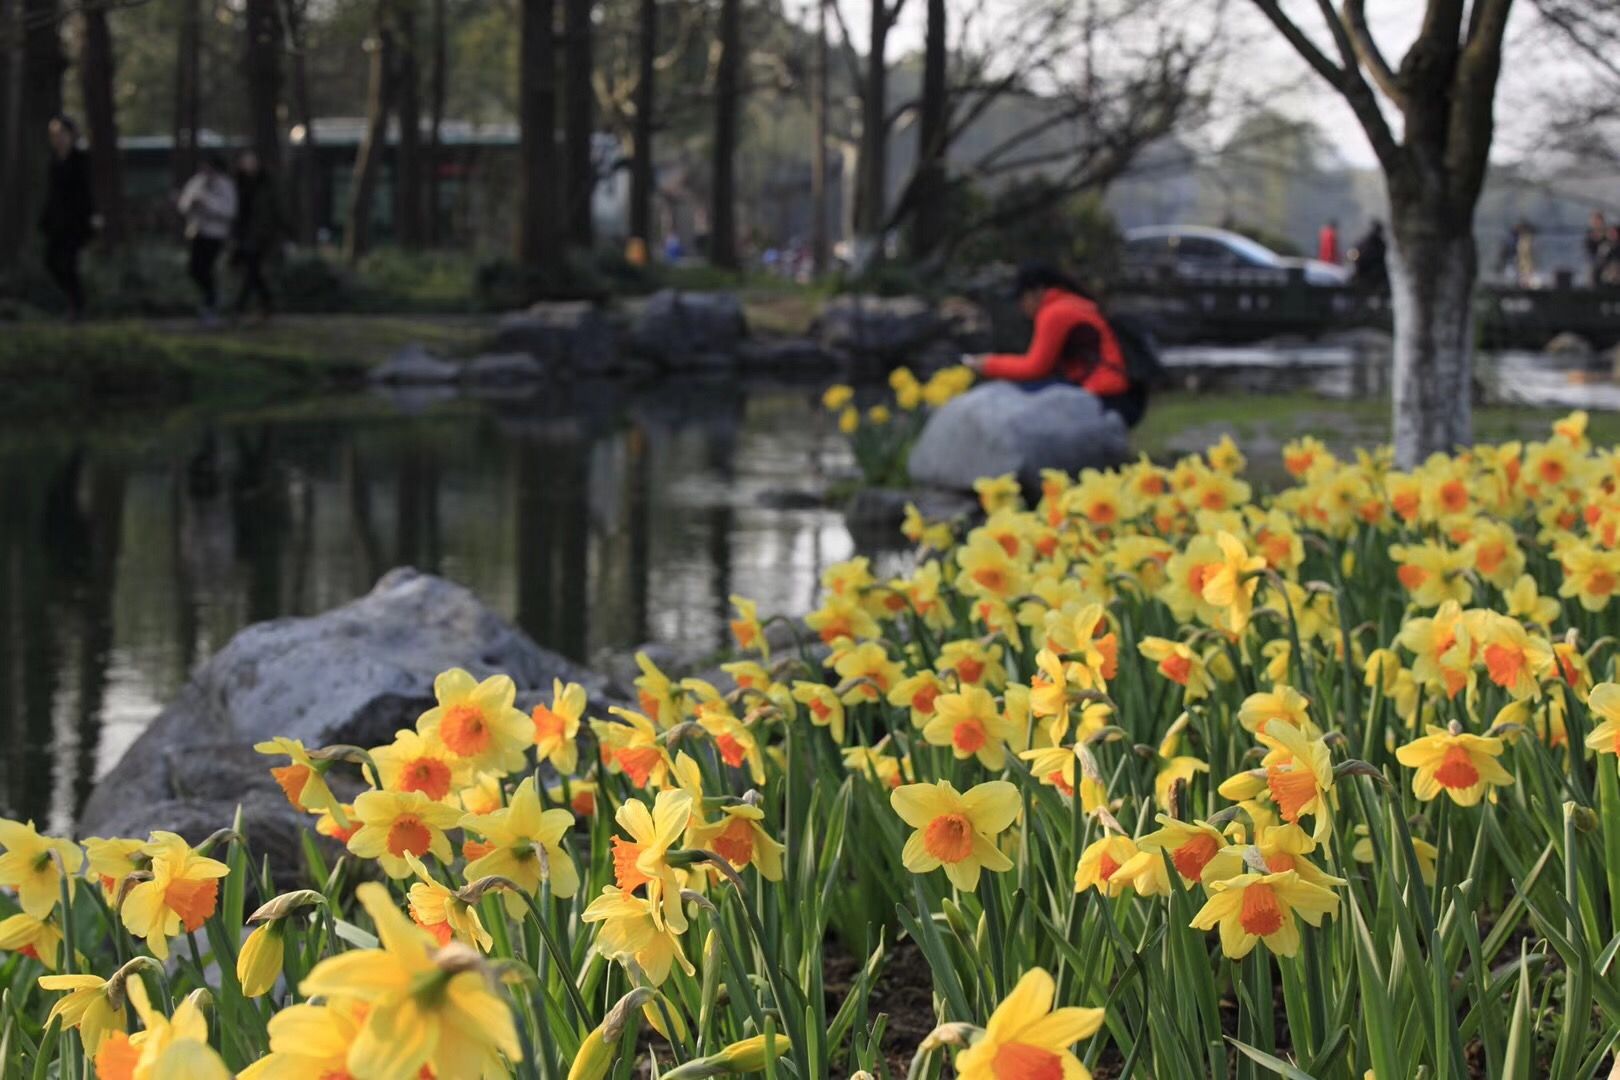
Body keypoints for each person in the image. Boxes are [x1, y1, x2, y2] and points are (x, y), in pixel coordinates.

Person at [963, 263, 1145, 427]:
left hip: (1104, 397)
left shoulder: (1055, 313)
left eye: (1022, 298)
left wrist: (987, 364)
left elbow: (1034, 368)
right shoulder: (1070, 304)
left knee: (1015, 396)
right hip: (1116, 395)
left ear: (1038, 292)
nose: (1021, 306)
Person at [38, 115, 95, 319]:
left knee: (69, 264)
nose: (58, 138)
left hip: (75, 223)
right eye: (55, 135)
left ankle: (78, 306)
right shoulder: (53, 161)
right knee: (51, 261)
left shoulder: (81, 160)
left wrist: (88, 222)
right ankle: (74, 302)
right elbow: (52, 195)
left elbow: (87, 194)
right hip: (56, 224)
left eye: (62, 134)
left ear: (71, 135)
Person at [177, 153, 237, 324]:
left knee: (207, 269)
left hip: (215, 234)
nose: (205, 172)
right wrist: (192, 204)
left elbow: (229, 212)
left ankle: (211, 304)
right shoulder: (197, 182)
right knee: (195, 269)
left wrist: (207, 203)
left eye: (208, 168)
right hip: (197, 232)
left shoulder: (226, 185)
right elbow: (183, 204)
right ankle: (212, 298)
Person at [230, 150, 281, 321]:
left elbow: (274, 210)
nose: (249, 165)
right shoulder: (237, 184)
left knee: (252, 270)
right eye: (246, 162)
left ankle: (240, 306)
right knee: (253, 271)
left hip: (260, 235)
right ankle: (264, 303)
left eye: (252, 162)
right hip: (243, 234)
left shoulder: (265, 184)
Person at [1349, 220, 1387, 293]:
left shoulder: (1380, 244)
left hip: (1375, 274)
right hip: (1364, 273)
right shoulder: (1365, 242)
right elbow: (1355, 256)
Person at [1586, 211, 1608, 287]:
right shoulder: (1589, 236)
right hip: (1595, 265)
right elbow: (1588, 252)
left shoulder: (1608, 234)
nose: (1596, 223)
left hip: (1608, 266)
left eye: (1598, 221)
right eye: (1594, 221)